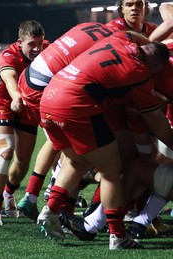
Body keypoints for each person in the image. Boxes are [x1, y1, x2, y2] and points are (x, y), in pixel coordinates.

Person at [37, 32, 172, 250]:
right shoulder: (138, 73)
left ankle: (50, 210)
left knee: (77, 162)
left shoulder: (119, 39)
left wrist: (149, 43)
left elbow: (131, 34)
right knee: (112, 171)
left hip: (50, 96)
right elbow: (156, 120)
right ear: (155, 67)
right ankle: (117, 236)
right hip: (75, 104)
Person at [15, 22, 121, 220]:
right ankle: (64, 209)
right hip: (48, 89)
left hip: (30, 79)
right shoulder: (115, 43)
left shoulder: (90, 25)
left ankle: (32, 195)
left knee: (60, 145)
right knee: (77, 156)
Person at [0, 20, 47, 225]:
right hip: (3, 101)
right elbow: (10, 79)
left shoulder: (48, 50)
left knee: (22, 163)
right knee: (5, 151)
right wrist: (15, 97)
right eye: (31, 44)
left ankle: (8, 194)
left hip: (28, 105)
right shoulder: (8, 55)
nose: (37, 48)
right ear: (20, 42)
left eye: (40, 42)